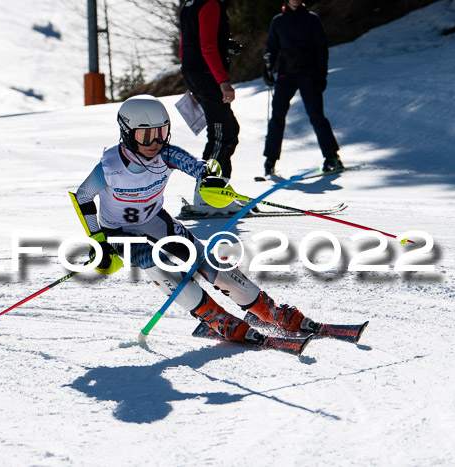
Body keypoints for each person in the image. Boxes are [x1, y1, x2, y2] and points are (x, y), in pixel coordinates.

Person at [71, 95, 324, 346]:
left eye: (161, 132)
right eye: (145, 136)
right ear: (127, 133)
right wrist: (99, 241)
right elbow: (83, 196)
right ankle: (214, 318)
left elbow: (197, 166)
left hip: (156, 221)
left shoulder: (166, 154)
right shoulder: (109, 167)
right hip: (119, 231)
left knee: (206, 260)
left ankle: (269, 311)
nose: (155, 142)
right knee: (154, 261)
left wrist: (208, 177)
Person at [262, 0, 343, 176]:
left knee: (316, 115)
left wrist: (322, 74)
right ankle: (270, 159)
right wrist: (267, 70)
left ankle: (332, 157)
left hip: (308, 74)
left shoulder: (311, 19)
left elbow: (322, 49)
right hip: (285, 75)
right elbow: (271, 48)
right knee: (277, 115)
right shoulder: (278, 21)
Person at [179, 0, 241, 216]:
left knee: (229, 130)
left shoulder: (189, 3)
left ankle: (217, 192)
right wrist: (223, 81)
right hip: (206, 75)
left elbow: (185, 43)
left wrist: (226, 44)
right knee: (221, 135)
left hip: (196, 73)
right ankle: (206, 195)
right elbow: (207, 46)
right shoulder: (210, 2)